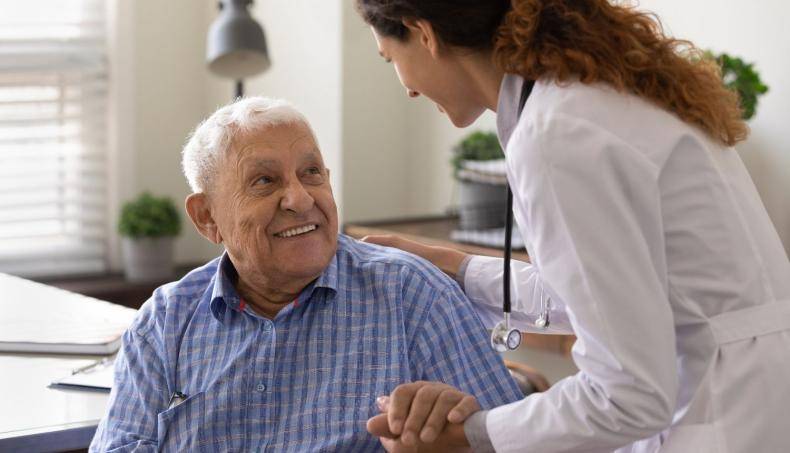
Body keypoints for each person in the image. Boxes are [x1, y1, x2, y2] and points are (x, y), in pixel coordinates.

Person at [354, 0, 790, 452]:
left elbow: (628, 395)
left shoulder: (555, 133)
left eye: (391, 60)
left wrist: (470, 435)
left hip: (726, 418)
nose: (405, 88)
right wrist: (460, 269)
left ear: (423, 32)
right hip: (753, 396)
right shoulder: (595, 98)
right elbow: (609, 294)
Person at [89, 97, 523, 452]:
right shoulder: (164, 322)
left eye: (311, 172)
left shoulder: (412, 296)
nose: (299, 198)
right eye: (264, 181)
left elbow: (515, 445)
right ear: (207, 218)